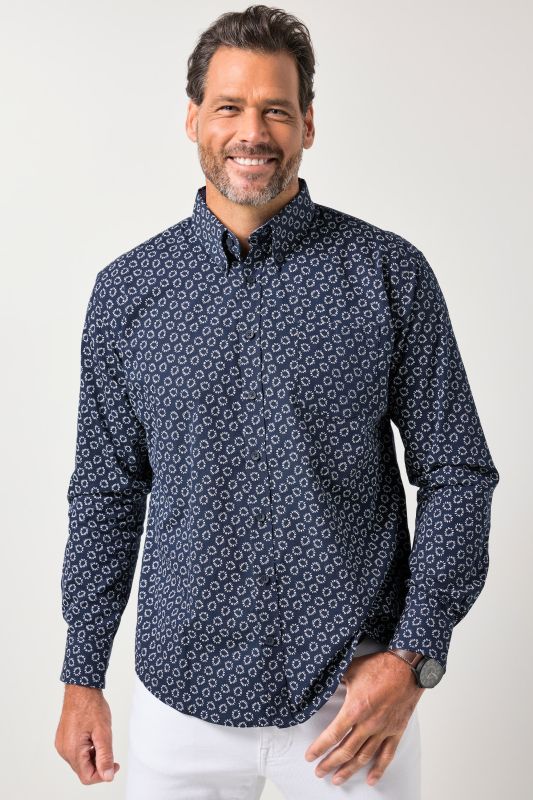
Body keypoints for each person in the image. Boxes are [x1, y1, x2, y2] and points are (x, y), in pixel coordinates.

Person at [54, 5, 499, 798]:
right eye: (229, 107)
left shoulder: (388, 276)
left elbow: (457, 471)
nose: (251, 132)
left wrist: (412, 659)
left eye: (275, 110)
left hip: (350, 705)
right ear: (194, 118)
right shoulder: (128, 294)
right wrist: (81, 675)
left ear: (308, 125)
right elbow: (106, 492)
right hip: (178, 704)